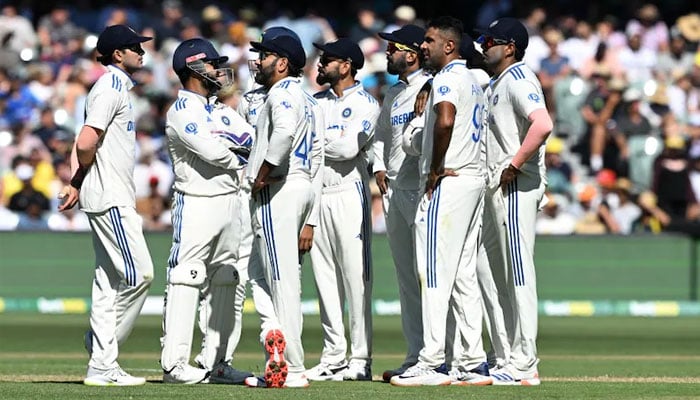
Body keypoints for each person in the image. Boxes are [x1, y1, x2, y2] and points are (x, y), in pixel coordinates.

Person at [390, 16, 489, 387]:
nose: (422, 46)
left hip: (448, 182)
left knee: (431, 271)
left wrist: (434, 169)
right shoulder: (472, 81)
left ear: (449, 46)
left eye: (429, 41)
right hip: (472, 180)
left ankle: (431, 362)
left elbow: (445, 120)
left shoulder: (447, 79)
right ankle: (473, 362)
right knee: (463, 275)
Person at [57, 24, 155, 386]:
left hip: (108, 193)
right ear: (118, 54)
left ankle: (101, 362)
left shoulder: (114, 87)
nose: (142, 54)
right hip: (111, 196)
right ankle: (102, 353)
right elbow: (85, 142)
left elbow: (85, 139)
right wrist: (80, 178)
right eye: (135, 48)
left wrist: (75, 181)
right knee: (140, 274)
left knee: (108, 284)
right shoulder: (111, 86)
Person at [159, 37, 254, 384]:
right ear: (195, 68)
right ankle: (175, 364)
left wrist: (239, 151)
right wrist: (239, 154)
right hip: (196, 200)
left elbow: (251, 141)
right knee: (186, 276)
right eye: (213, 64)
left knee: (228, 277)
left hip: (231, 200)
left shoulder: (222, 111)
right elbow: (212, 152)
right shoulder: (182, 111)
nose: (219, 70)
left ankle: (217, 363)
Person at [477, 17, 554, 385]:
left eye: (490, 40)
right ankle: (507, 356)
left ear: (510, 47)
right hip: (498, 184)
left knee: (519, 272)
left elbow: (543, 124)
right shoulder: (498, 82)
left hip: (515, 186)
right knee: (494, 272)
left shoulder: (520, 79)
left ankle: (526, 363)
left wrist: (514, 163)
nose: (483, 45)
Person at [245, 27, 321, 388]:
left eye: (264, 55)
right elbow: (319, 158)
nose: (258, 61)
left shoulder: (283, 95)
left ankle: (293, 368)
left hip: (280, 190)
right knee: (262, 274)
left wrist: (262, 173)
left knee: (281, 281)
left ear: (282, 62)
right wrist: (313, 215)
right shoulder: (310, 99)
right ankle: (273, 336)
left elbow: (284, 134)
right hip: (302, 185)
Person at [304, 38, 379, 382]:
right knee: (324, 279)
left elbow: (349, 148)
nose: (320, 65)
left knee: (356, 279)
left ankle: (360, 358)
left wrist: (315, 144)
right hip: (317, 193)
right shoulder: (314, 102)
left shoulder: (366, 103)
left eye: (327, 60)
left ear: (346, 65)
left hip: (350, 193)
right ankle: (333, 355)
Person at [370, 24, 430, 382]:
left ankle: (446, 354)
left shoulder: (431, 84)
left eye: (392, 48)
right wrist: (378, 166)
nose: (388, 54)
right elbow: (381, 136)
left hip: (421, 191)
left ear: (411, 53)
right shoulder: (394, 92)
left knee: (430, 277)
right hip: (394, 193)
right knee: (407, 280)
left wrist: (433, 85)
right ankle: (415, 354)